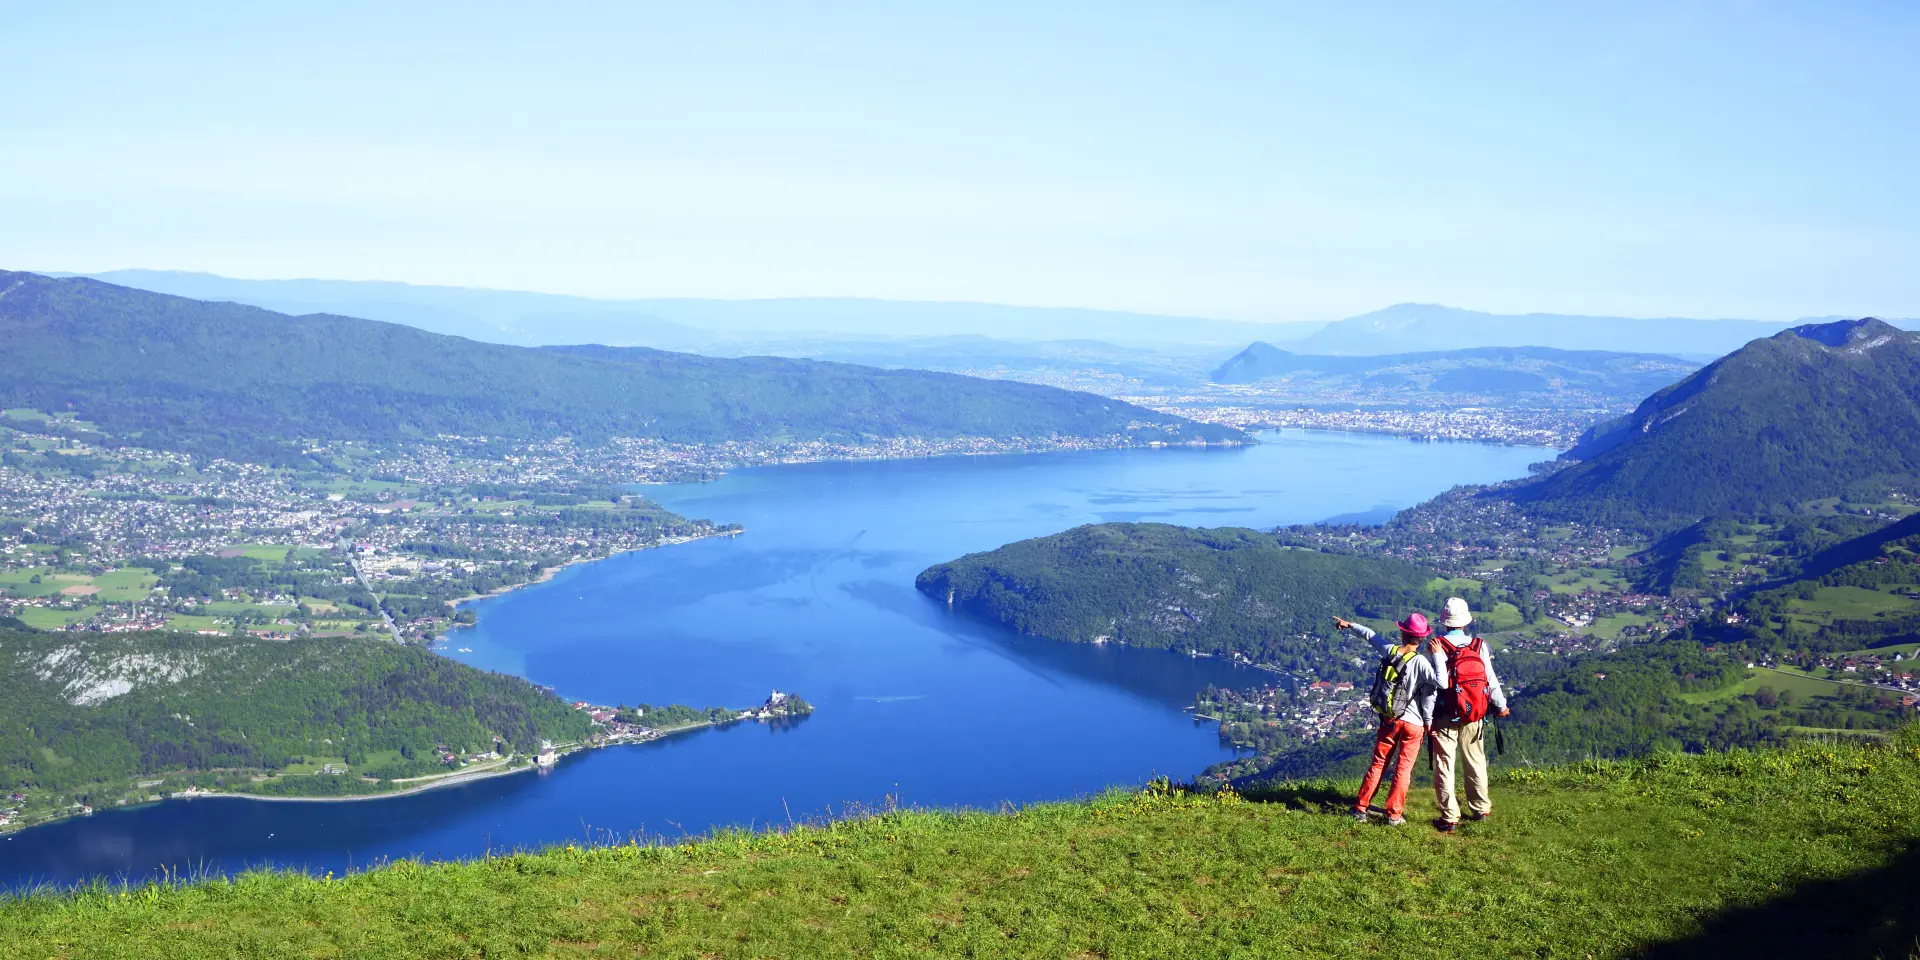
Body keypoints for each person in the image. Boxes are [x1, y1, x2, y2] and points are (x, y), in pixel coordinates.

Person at [1333, 612, 1440, 826]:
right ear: (1422, 638)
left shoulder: (1389, 651)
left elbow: (1370, 635)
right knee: (1403, 769)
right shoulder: (1421, 662)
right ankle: (1393, 815)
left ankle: (1360, 808)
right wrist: (1436, 655)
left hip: (1390, 719)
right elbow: (1441, 684)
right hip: (1414, 724)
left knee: (1379, 763)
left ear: (1403, 633)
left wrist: (1349, 624)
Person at [1428, 596, 1510, 833]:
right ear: (1465, 621)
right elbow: (1490, 679)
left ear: (1444, 621)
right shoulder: (1479, 645)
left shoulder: (1437, 646)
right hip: (1474, 713)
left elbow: (1435, 683)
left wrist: (1427, 717)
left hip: (1445, 714)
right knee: (1475, 761)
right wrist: (1500, 705)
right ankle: (1480, 808)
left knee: (1445, 764)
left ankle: (1450, 817)